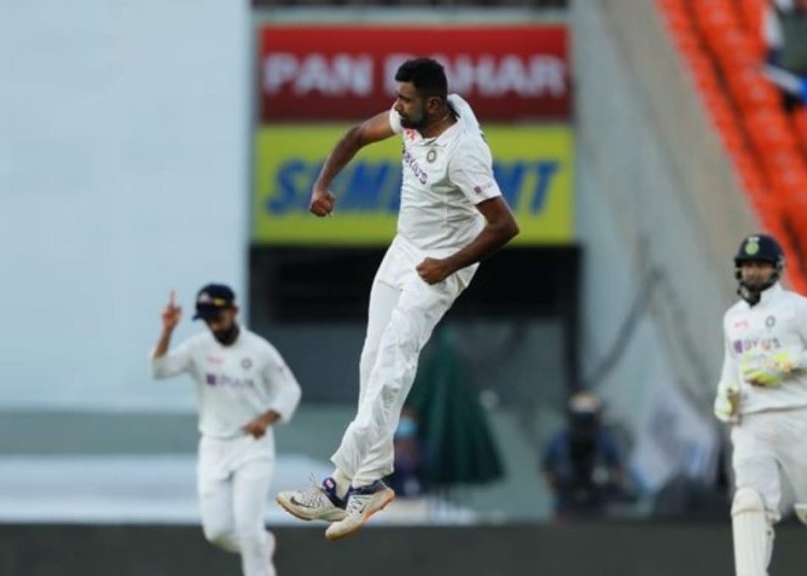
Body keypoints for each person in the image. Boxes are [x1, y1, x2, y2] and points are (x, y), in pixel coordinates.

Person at [275, 57, 520, 541]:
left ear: (432, 104)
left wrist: (447, 266)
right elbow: (355, 135)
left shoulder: (463, 152)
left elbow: (505, 226)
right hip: (403, 248)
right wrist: (323, 184)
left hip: (441, 263)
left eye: (405, 99)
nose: (396, 105)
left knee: (393, 363)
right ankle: (372, 481)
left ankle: (337, 483)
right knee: (371, 362)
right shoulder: (417, 116)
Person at [715, 234, 807, 576]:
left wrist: (789, 362)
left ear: (776, 269)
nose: (754, 272)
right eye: (748, 265)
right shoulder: (732, 318)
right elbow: (731, 366)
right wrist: (725, 396)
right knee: (749, 502)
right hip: (751, 422)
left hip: (798, 416)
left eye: (761, 265)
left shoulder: (797, 309)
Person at [151, 284, 301, 576]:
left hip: (252, 446)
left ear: (234, 311)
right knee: (217, 531)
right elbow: (159, 370)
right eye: (207, 319)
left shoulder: (259, 350)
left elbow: (290, 390)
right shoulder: (197, 348)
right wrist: (167, 330)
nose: (213, 325)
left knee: (247, 525)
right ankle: (262, 543)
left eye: (218, 317)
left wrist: (266, 418)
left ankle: (257, 554)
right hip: (213, 444)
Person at [541, 391, 627, 522]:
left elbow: (618, 467)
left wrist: (615, 487)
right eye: (580, 417)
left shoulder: (605, 439)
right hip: (566, 503)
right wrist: (555, 486)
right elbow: (546, 467)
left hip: (599, 503)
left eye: (587, 417)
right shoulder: (559, 439)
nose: (584, 423)